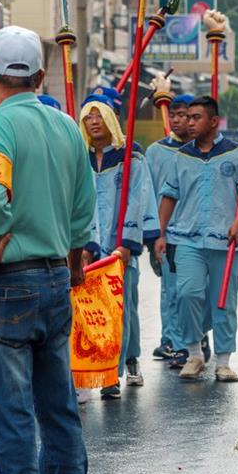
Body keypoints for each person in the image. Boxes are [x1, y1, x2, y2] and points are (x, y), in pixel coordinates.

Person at [0, 25, 96, 474]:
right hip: (55, 279)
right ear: (40, 76)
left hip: (7, 286)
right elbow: (83, 212)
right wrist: (75, 268)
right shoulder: (65, 126)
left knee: (11, 413)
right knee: (58, 409)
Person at [154, 95, 238, 382]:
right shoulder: (182, 157)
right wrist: (160, 235)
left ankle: (224, 361)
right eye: (187, 118)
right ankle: (194, 353)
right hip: (187, 240)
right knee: (187, 294)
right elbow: (169, 195)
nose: (189, 123)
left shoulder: (237, 154)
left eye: (195, 117)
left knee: (223, 300)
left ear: (213, 122)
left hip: (226, 242)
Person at [79, 94, 158, 398]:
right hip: (87, 248)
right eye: (88, 117)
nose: (94, 122)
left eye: (99, 116)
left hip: (120, 248)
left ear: (110, 119)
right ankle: (92, 368)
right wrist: (82, 243)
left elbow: (137, 201)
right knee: (90, 313)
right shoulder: (78, 157)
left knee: (121, 310)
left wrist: (127, 244)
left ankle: (114, 372)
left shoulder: (131, 156)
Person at [145, 93, 193, 361]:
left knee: (192, 291)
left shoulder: (202, 151)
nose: (177, 120)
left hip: (194, 231)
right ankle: (172, 340)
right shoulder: (156, 152)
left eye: (183, 115)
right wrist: (151, 233)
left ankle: (192, 339)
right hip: (165, 232)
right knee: (170, 289)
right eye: (173, 115)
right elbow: (148, 192)